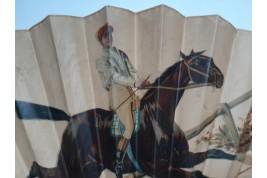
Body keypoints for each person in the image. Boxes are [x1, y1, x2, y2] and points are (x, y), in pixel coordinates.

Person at [95, 23, 150, 178]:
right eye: (106, 36)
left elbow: (132, 70)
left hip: (127, 88)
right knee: (130, 127)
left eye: (110, 35)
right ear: (102, 40)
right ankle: (119, 162)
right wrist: (133, 83)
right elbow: (114, 76)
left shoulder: (121, 53)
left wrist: (141, 81)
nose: (109, 38)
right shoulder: (101, 59)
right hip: (116, 90)